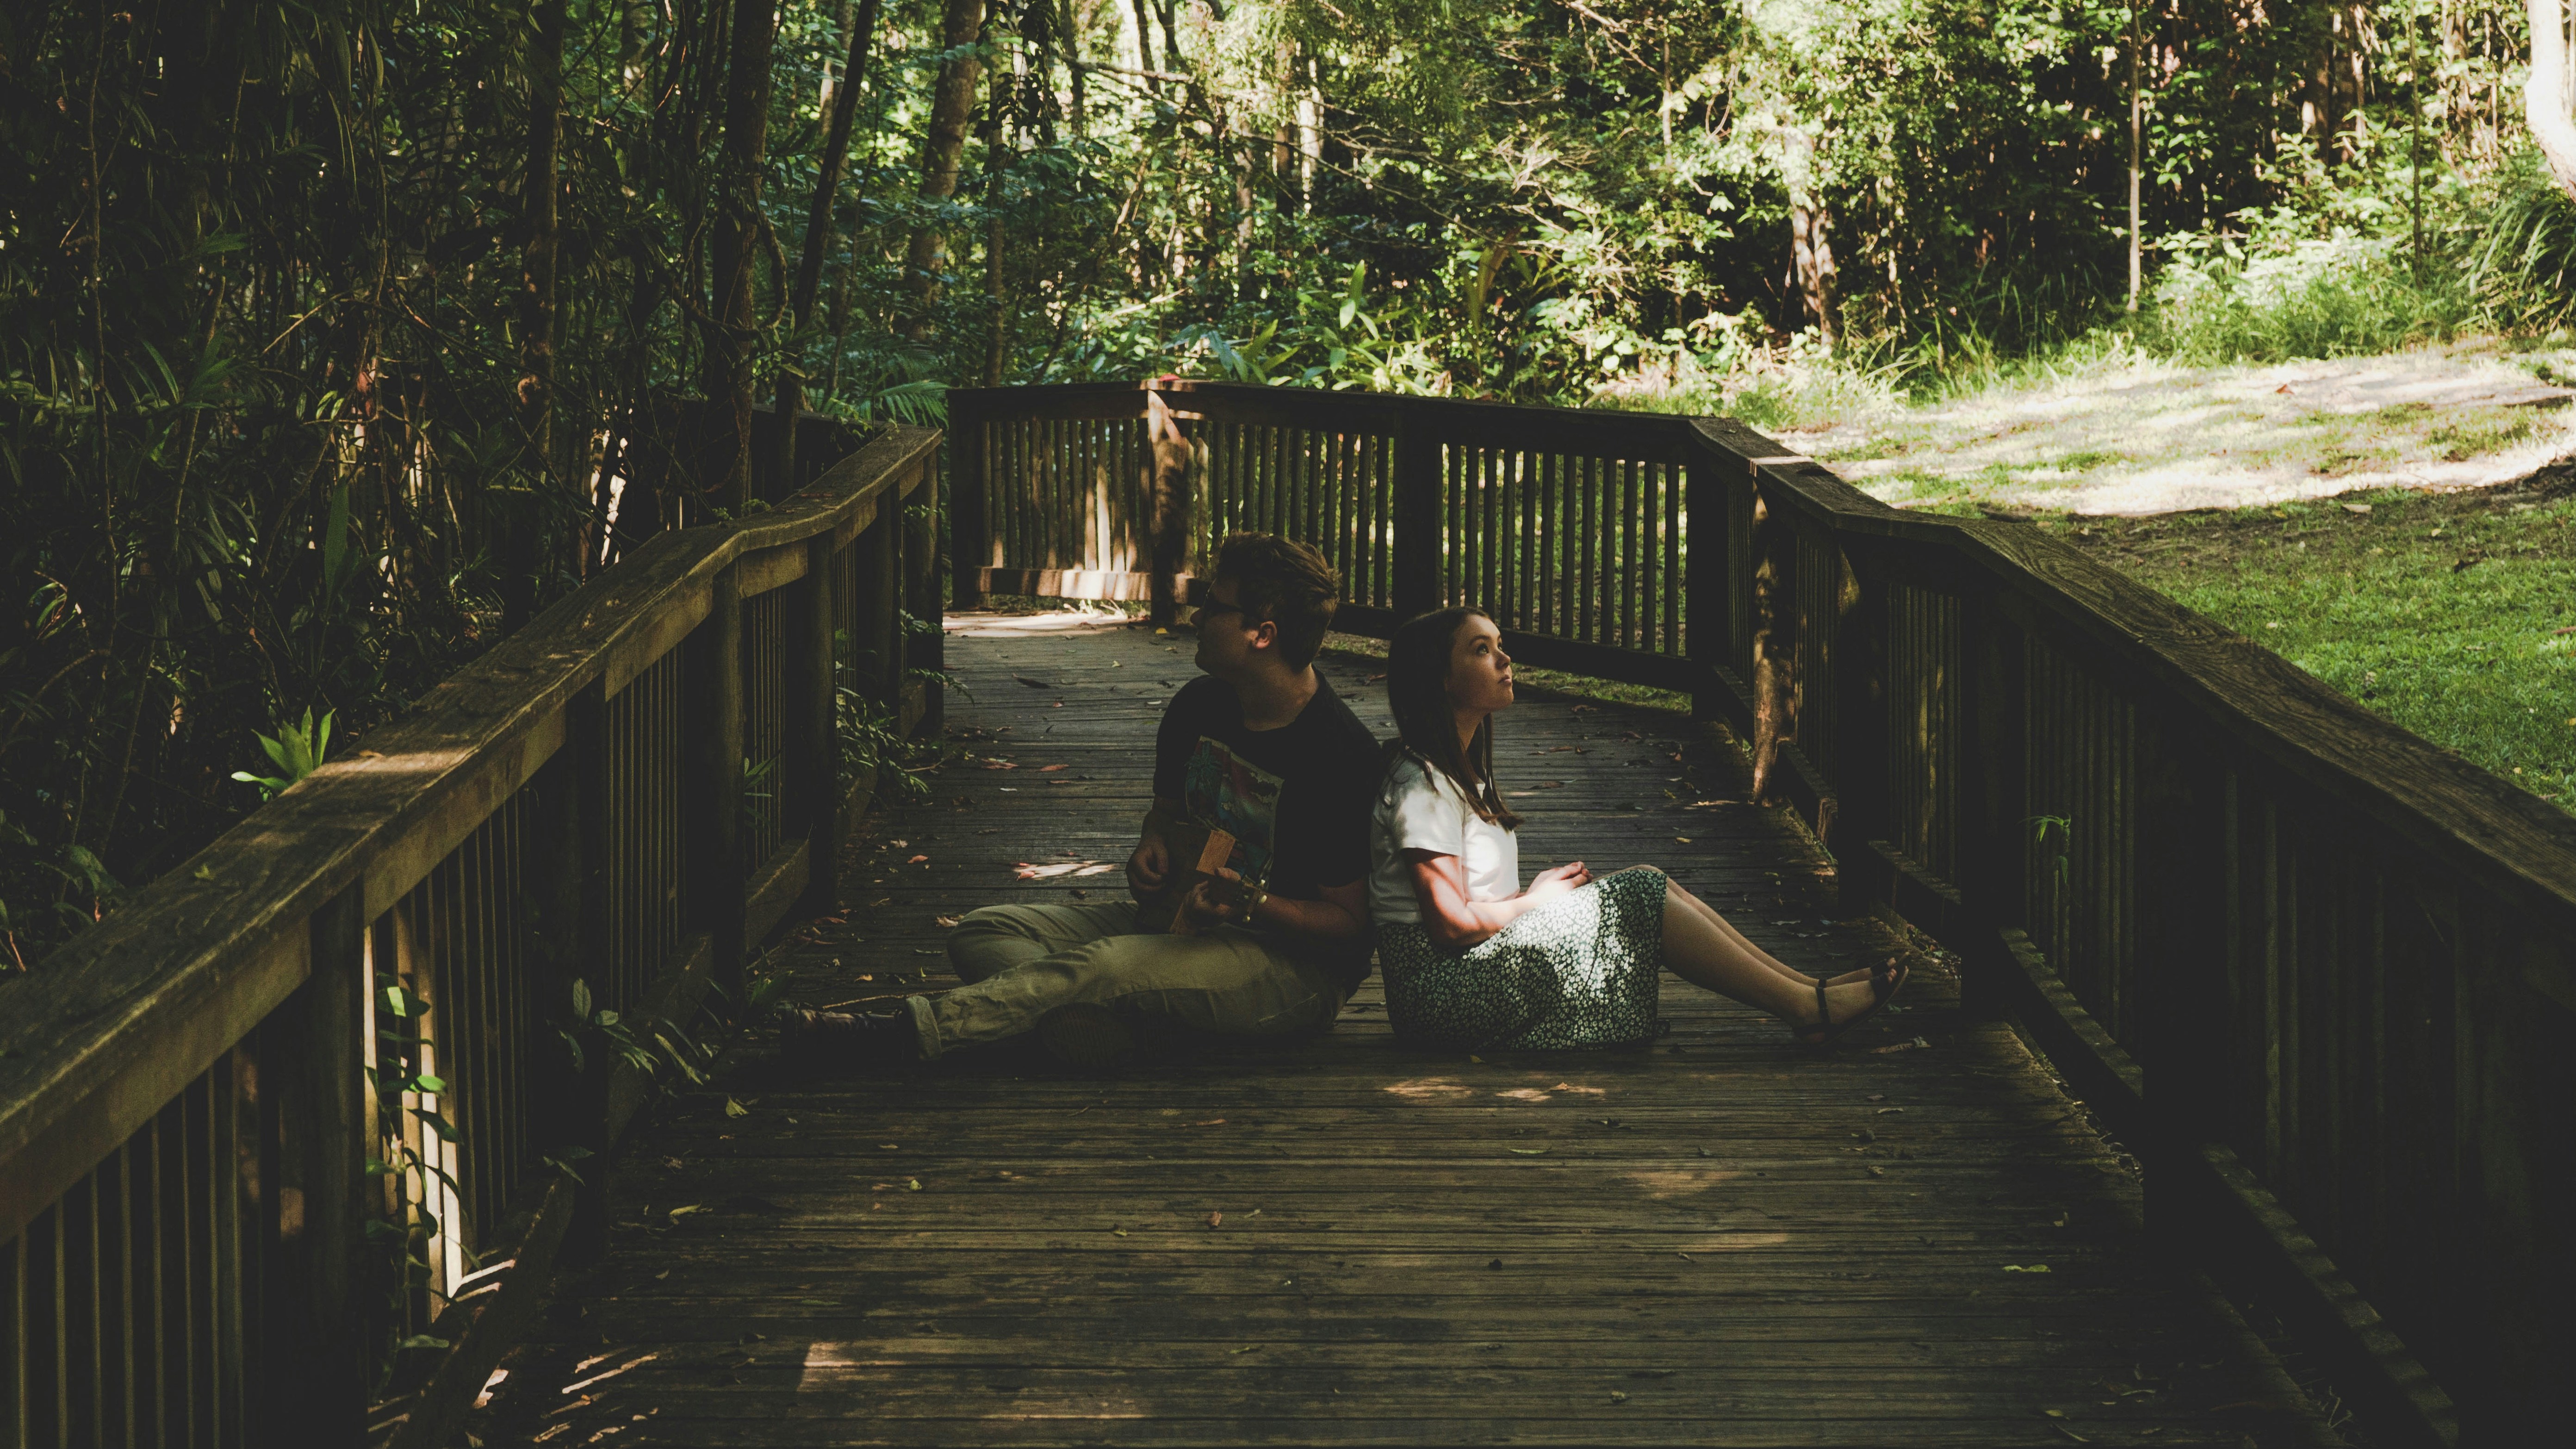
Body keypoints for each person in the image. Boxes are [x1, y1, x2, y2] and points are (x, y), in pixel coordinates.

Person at [784, 534, 1381, 1071]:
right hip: (1177, 926)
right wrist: (1151, 844)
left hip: (1290, 969)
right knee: (983, 930)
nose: (1199, 615)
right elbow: (1167, 814)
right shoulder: (1200, 705)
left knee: (1105, 967)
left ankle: (896, 1035)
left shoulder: (1339, 755)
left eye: (1216, 605)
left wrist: (1251, 901)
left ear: (1263, 632)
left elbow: (1349, 927)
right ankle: (1131, 1032)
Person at [1369, 606, 1906, 1052]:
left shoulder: (1460, 773)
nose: (1505, 658)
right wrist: (1535, 904)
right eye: (1481, 649)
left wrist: (1526, 896)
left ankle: (1808, 990)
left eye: (1500, 644)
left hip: (1469, 971)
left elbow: (1467, 905)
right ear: (1439, 678)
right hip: (1438, 996)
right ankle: (1806, 1008)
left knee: (1648, 878)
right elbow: (1447, 926)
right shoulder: (1422, 785)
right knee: (1641, 893)